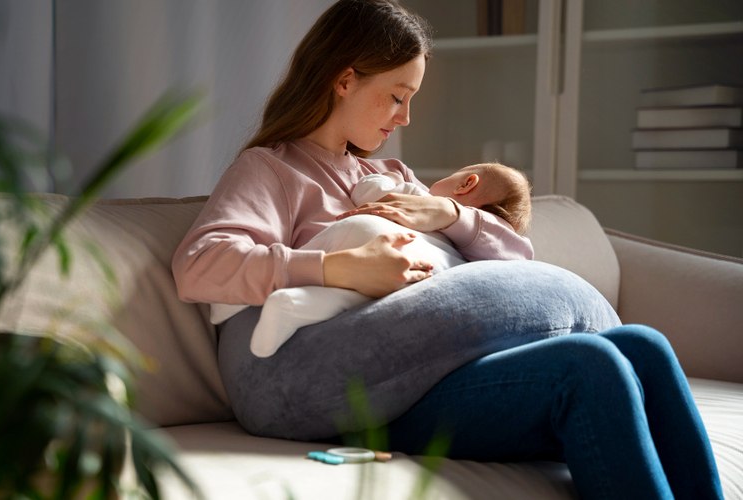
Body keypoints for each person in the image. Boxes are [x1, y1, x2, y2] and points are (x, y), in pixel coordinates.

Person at [171, 1, 723, 498]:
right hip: (357, 386)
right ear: (344, 80)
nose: (405, 117)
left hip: (436, 365)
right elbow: (200, 264)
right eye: (396, 96)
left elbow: (513, 270)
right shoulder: (273, 169)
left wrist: (453, 214)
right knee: (591, 364)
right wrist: (339, 268)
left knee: (643, 345)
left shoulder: (391, 174)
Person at [211, 162, 532, 358]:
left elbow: (367, 189)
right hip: (407, 258)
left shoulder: (416, 195)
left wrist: (384, 181)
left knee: (352, 281)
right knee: (350, 294)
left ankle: (272, 301)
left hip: (371, 236)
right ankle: (293, 303)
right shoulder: (465, 248)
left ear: (466, 183)